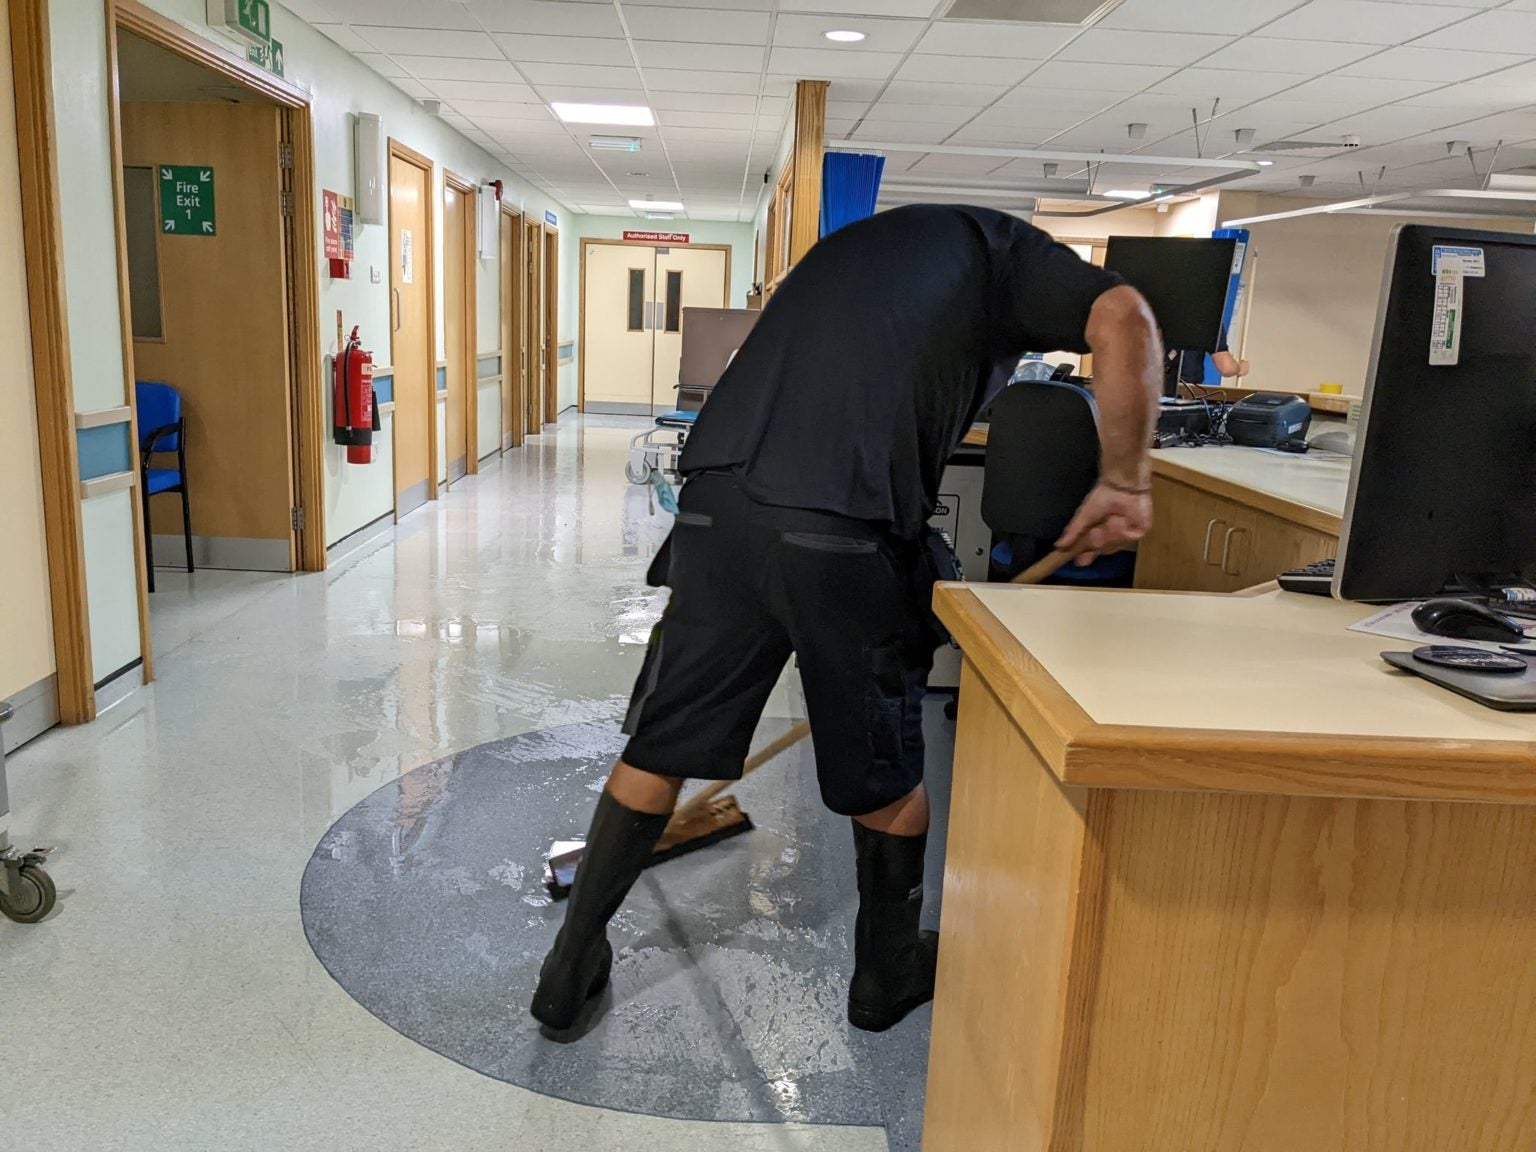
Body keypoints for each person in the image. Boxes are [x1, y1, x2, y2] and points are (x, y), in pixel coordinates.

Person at [531, 204, 1164, 1034]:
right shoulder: (1017, 259)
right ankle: (886, 976)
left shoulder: (862, 249)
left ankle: (567, 968)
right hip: (844, 529)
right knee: (886, 770)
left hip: (718, 508)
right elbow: (1127, 318)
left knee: (662, 742)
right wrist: (1125, 479)